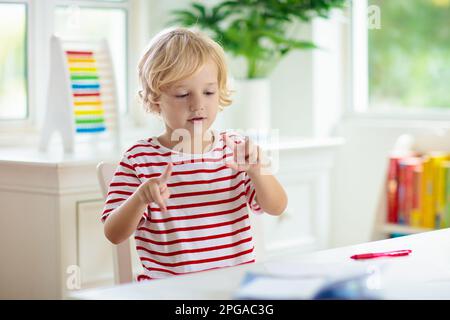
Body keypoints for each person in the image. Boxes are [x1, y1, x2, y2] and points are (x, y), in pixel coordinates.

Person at [101, 27, 288, 281]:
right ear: (155, 99)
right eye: (182, 94)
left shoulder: (235, 150)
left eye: (209, 92)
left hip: (231, 288)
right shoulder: (139, 159)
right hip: (168, 292)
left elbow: (277, 207)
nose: (198, 103)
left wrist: (258, 171)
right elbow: (114, 233)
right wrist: (140, 198)